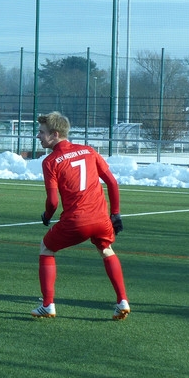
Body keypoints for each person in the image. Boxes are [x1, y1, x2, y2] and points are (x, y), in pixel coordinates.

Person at [31, 111, 129, 320]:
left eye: (41, 132)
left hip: (77, 221)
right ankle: (122, 300)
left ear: (55, 134)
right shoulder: (89, 150)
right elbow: (112, 182)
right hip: (101, 220)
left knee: (46, 248)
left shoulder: (51, 161)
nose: (38, 136)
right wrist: (116, 215)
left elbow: (53, 202)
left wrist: (47, 215)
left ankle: (48, 305)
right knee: (106, 249)